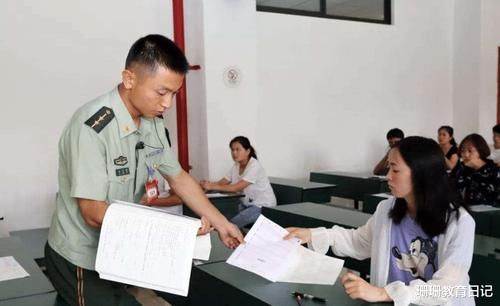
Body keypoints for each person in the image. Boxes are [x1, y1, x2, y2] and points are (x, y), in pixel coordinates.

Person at [45, 34, 243, 306]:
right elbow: (92, 213)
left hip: (118, 249)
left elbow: (179, 178)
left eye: (174, 93)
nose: (167, 104)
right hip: (81, 257)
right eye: (162, 92)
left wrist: (222, 223)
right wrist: (177, 232)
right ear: (129, 79)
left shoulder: (153, 125)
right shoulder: (91, 128)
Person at [286, 137, 475, 305]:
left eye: (395, 170)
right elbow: (359, 241)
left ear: (421, 174)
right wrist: (313, 234)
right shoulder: (387, 209)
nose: (388, 176)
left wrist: (384, 293)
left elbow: (446, 287)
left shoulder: (460, 222)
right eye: (388, 168)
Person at [201, 136, 276, 228]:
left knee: (231, 224)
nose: (234, 153)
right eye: (232, 150)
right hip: (246, 204)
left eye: (238, 149)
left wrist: (211, 186)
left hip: (263, 207)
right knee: (222, 217)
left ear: (248, 151)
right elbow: (222, 182)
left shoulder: (255, 166)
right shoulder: (236, 165)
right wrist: (206, 186)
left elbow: (237, 187)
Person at [453, 133, 500, 206]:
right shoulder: (461, 167)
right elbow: (450, 187)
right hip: (462, 210)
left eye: (470, 151)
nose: (465, 155)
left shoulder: (493, 171)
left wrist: (479, 170)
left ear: (480, 151)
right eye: (462, 150)